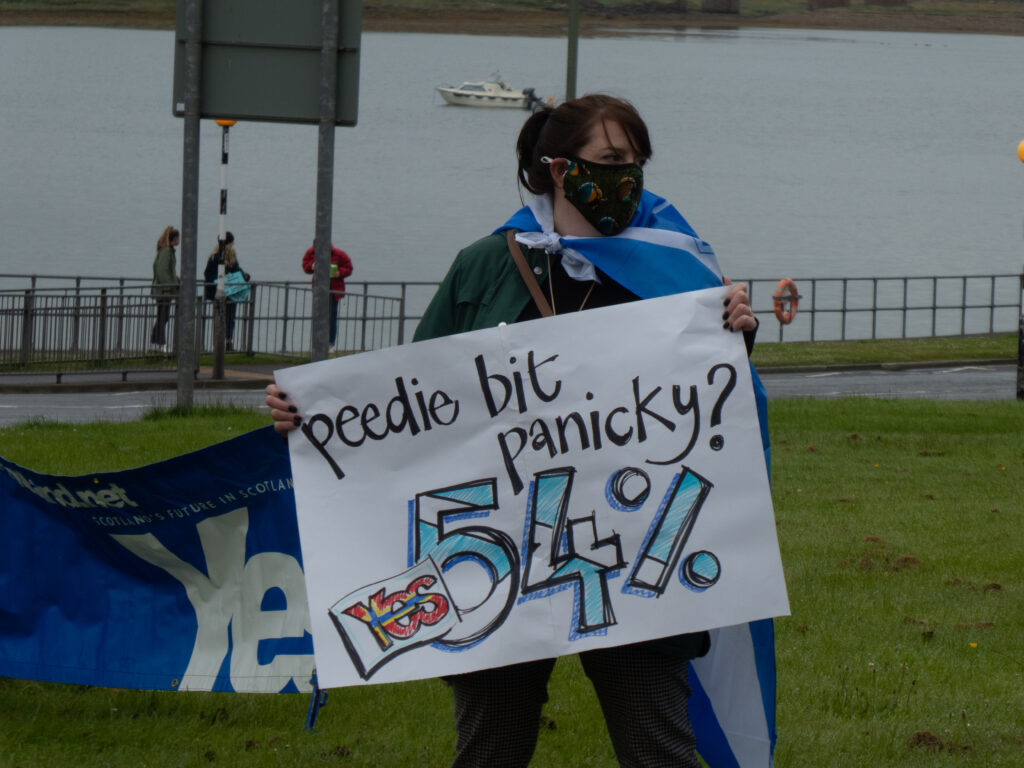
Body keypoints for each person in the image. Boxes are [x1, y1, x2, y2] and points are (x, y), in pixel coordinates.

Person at [266, 94, 760, 767]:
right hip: (497, 560)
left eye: (637, 161)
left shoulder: (679, 268)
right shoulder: (485, 266)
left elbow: (710, 404)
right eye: (612, 160)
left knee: (660, 750)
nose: (630, 176)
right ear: (560, 168)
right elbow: (407, 403)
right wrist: (312, 415)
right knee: (490, 750)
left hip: (630, 554)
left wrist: (735, 333)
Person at [302, 241, 353, 353]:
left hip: (333, 291)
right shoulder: (311, 253)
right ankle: (318, 344)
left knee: (331, 317)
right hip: (319, 290)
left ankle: (330, 344)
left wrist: (338, 273)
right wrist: (312, 266)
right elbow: (305, 266)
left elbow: (349, 268)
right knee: (318, 317)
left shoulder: (339, 254)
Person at [203, 231, 248, 352]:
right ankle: (224, 342)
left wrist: (244, 276)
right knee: (226, 318)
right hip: (223, 292)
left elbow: (237, 270)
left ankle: (226, 342)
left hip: (228, 292)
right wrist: (220, 280)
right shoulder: (217, 258)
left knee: (225, 318)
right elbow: (209, 275)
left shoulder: (220, 257)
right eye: (232, 242)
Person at [150, 225, 180, 352]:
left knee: (163, 316)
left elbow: (168, 272)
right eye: (178, 238)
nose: (179, 240)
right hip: (164, 291)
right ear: (173, 239)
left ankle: (156, 341)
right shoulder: (167, 252)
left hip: (163, 289)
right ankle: (159, 343)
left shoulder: (167, 251)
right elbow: (162, 271)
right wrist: (167, 288)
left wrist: (177, 280)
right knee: (163, 316)